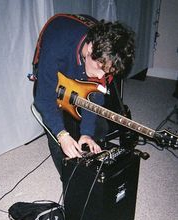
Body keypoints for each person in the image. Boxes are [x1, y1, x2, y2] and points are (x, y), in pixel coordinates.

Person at [33, 13, 135, 177]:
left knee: (100, 127)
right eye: (100, 69)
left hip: (79, 67)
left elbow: (95, 97)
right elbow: (43, 99)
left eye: (107, 73)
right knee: (59, 138)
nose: (102, 77)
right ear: (91, 48)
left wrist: (86, 133)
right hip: (57, 73)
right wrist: (62, 135)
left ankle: (89, 171)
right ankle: (71, 184)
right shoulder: (57, 44)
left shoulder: (107, 56)